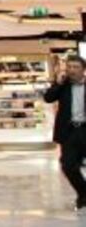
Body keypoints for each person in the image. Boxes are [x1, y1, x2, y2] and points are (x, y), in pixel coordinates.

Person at [44, 55, 86, 211]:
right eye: (69, 67)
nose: (72, 70)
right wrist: (58, 83)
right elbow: (48, 98)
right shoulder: (63, 85)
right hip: (70, 132)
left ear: (83, 70)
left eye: (76, 67)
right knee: (68, 165)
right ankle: (83, 194)